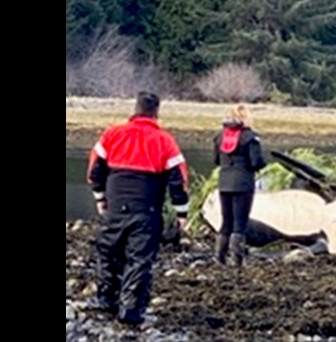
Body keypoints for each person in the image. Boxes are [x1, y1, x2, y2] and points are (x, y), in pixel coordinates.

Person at [86, 92, 190, 327]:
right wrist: (181, 213)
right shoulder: (164, 140)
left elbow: (95, 169)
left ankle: (106, 302)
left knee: (108, 254)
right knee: (139, 260)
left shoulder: (113, 134)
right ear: (156, 112)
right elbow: (178, 180)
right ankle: (130, 312)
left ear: (135, 109)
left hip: (114, 205)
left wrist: (100, 198)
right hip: (146, 209)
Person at [213, 104, 266, 266]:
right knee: (240, 223)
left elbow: (216, 161)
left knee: (226, 221)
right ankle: (237, 259)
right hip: (243, 184)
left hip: (224, 183)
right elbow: (256, 162)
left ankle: (219, 257)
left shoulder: (219, 137)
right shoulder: (250, 137)